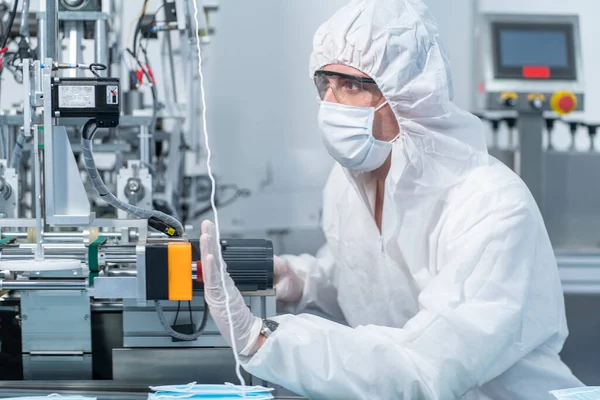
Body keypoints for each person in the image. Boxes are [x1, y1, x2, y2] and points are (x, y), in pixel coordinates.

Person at [199, 0, 583, 398]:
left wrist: (265, 342)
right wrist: (305, 282)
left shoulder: (491, 205)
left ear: (409, 94)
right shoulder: (349, 182)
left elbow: (427, 367)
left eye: (351, 86)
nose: (329, 106)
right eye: (324, 84)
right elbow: (370, 275)